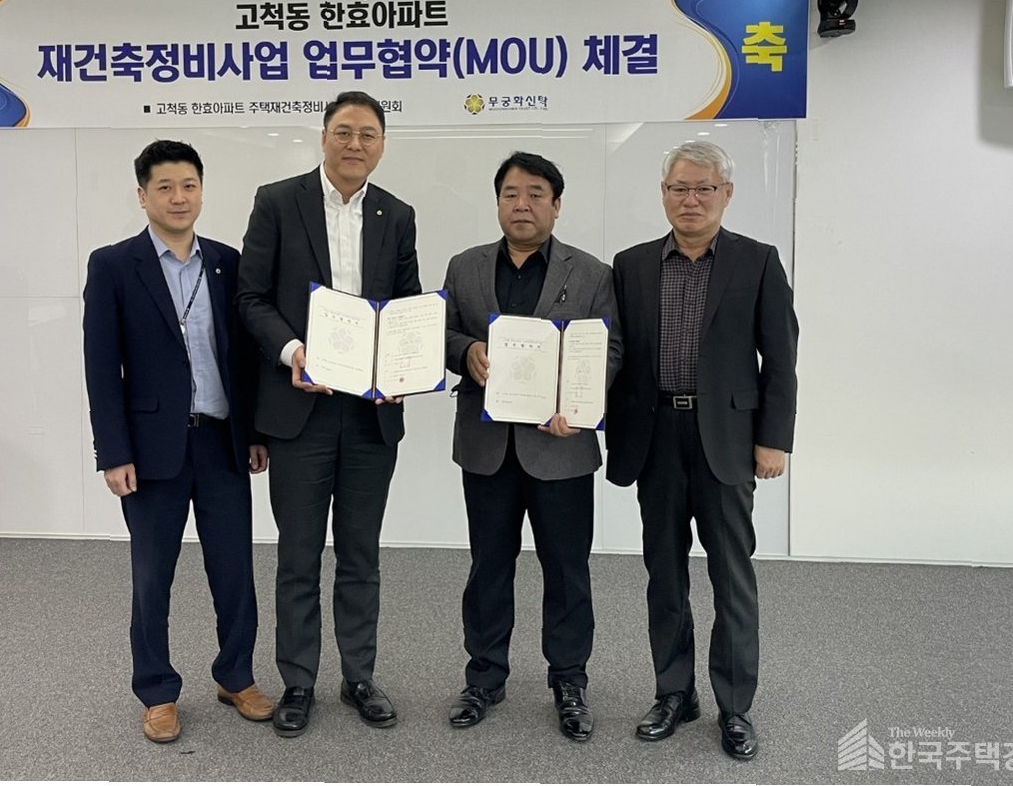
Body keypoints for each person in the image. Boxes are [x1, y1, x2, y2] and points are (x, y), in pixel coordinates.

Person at [236, 90, 421, 737]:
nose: (354, 144)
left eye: (367, 134)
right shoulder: (276, 201)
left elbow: (405, 308)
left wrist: (402, 368)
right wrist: (294, 351)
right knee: (298, 554)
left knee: (361, 554)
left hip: (370, 415)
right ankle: (298, 680)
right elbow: (251, 297)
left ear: (381, 144)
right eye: (343, 131)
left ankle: (359, 675)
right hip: (299, 410)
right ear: (322, 137)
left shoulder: (397, 214)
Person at [606, 140, 798, 761]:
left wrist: (773, 439)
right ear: (663, 194)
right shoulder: (631, 265)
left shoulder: (757, 262)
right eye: (678, 189)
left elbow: (781, 359)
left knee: (731, 576)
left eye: (703, 188)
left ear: (726, 194)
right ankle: (673, 693)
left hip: (729, 442)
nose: (690, 200)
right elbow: (613, 356)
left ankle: (735, 706)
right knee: (664, 574)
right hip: (655, 437)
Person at [83, 139, 273, 744]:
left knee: (234, 570)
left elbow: (244, 358)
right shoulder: (113, 266)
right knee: (152, 576)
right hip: (150, 451)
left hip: (221, 442)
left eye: (189, 185)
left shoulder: (226, 262)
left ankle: (236, 676)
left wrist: (255, 432)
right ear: (143, 196)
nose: (178, 197)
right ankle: (157, 690)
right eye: (164, 187)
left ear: (202, 191)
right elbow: (101, 367)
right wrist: (113, 452)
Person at [441, 152, 621, 742]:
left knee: (566, 570)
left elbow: (611, 350)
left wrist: (581, 405)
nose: (522, 204)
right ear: (498, 203)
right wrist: (465, 350)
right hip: (487, 447)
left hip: (560, 448)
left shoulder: (591, 273)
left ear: (556, 205)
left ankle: (569, 681)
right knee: (488, 567)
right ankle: (484, 678)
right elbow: (442, 332)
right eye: (511, 194)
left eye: (536, 194)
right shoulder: (465, 266)